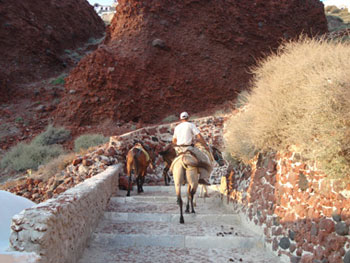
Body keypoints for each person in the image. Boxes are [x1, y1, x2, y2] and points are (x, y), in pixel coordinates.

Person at [172, 111, 211, 185]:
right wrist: (205, 145)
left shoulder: (177, 127)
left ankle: (172, 171)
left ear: (180, 119)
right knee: (205, 158)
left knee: (174, 160)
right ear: (188, 117)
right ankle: (203, 178)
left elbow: (174, 140)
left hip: (179, 149)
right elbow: (199, 136)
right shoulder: (191, 125)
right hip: (189, 148)